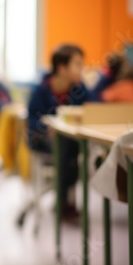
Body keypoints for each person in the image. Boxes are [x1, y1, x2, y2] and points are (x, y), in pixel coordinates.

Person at [27, 44, 94, 220]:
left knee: (71, 148)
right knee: (66, 147)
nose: (82, 69)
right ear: (62, 68)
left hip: (71, 142)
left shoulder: (80, 89)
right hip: (42, 140)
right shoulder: (40, 90)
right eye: (78, 64)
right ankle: (64, 201)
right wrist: (46, 128)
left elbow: (94, 110)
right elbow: (32, 120)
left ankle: (62, 197)